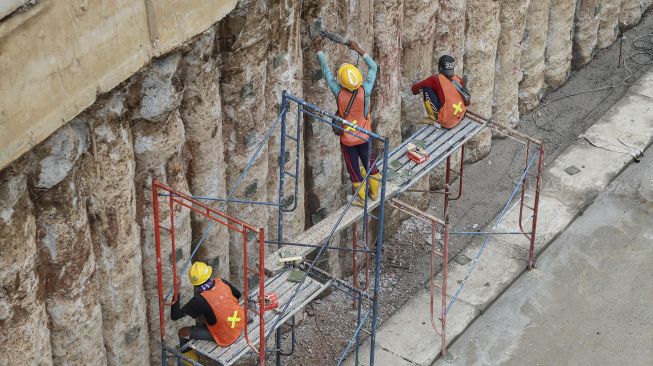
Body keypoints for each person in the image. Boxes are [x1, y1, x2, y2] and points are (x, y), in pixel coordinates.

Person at [313, 36, 381, 206]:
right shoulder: (365, 90)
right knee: (370, 163)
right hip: (365, 136)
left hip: (348, 140)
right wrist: (358, 49)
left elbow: (327, 74)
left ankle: (361, 198)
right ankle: (374, 193)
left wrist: (319, 50)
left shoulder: (339, 93)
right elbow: (374, 67)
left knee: (353, 168)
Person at [171, 262, 244, 364]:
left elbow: (175, 316)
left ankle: (189, 363)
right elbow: (238, 295)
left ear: (194, 283)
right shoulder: (221, 282)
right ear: (209, 274)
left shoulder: (199, 300)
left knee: (182, 332)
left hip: (226, 335)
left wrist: (176, 289)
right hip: (240, 322)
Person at [411, 55, 471, 128]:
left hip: (447, 122)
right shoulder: (458, 79)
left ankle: (435, 118)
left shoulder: (434, 79)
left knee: (426, 87)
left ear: (440, 68)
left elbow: (414, 89)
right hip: (461, 115)